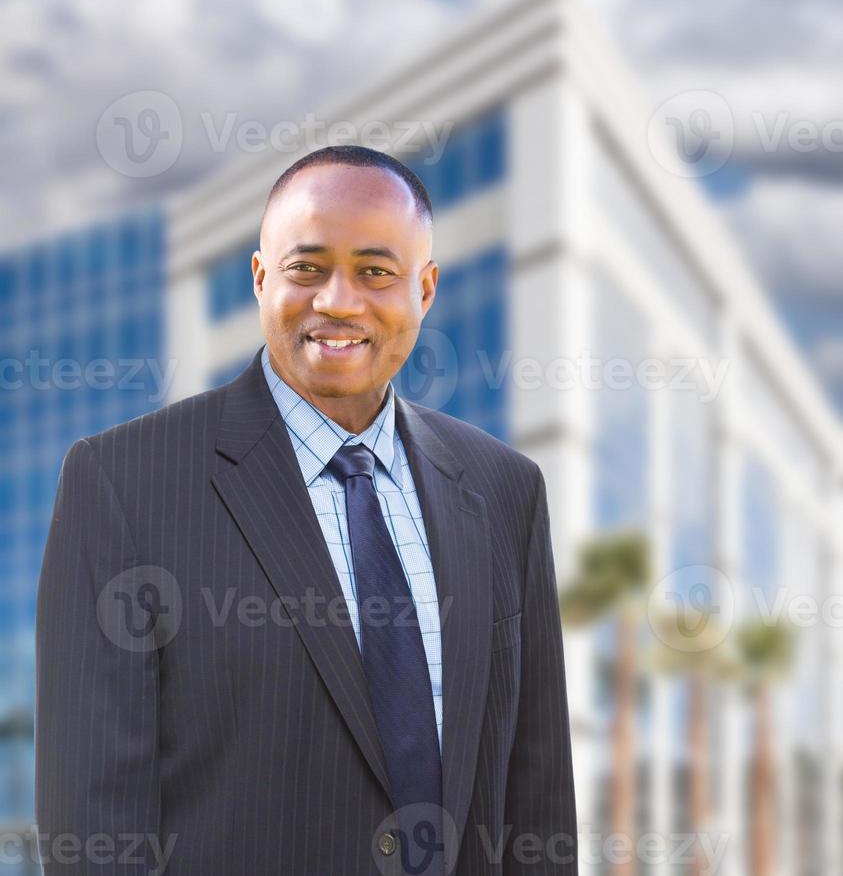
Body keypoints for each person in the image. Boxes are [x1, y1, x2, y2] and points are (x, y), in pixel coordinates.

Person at [35, 145, 578, 875]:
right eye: (307, 268)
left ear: (425, 289)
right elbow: (94, 821)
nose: (337, 301)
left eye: (376, 272)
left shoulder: (506, 490)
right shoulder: (122, 484)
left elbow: (534, 797)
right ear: (261, 278)